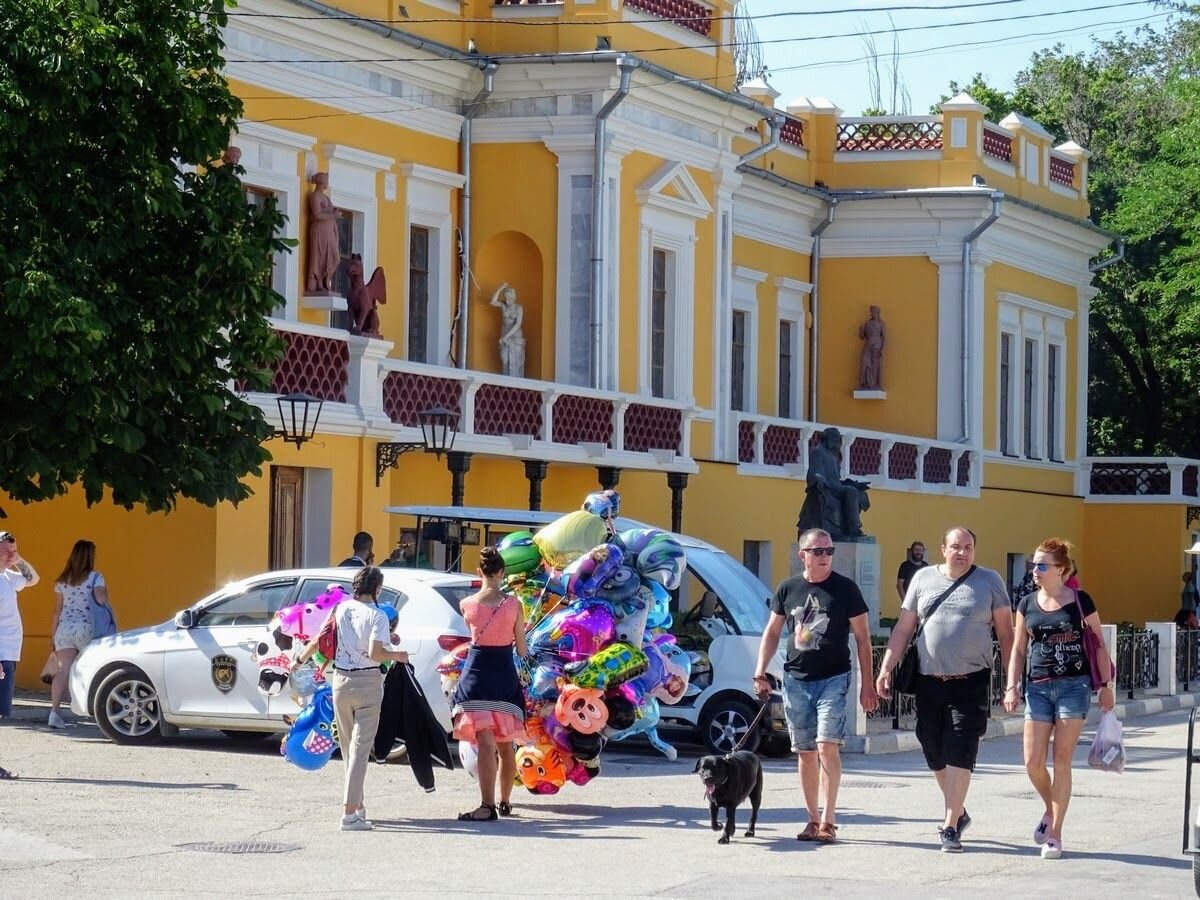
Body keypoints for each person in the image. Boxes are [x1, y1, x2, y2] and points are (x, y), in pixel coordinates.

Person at [875, 526, 1013, 853]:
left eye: (968, 547)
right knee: (932, 747)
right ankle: (959, 810)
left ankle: (950, 825)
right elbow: (904, 628)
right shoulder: (923, 579)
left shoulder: (990, 581)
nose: (962, 552)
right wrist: (885, 668)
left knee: (960, 748)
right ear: (943, 549)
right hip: (929, 680)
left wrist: (1012, 681)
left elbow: (1007, 634)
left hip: (971, 680)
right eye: (956, 546)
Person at [753, 528, 878, 844]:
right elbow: (772, 632)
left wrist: (867, 685)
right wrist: (760, 672)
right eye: (818, 551)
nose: (824, 556)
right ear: (803, 555)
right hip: (796, 680)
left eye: (829, 551)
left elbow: (863, 639)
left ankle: (829, 820)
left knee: (826, 746)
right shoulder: (788, 588)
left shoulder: (846, 589)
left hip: (834, 678)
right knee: (805, 751)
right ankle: (811, 819)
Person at [1004, 538, 1114, 860]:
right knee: (1032, 763)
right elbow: (1019, 649)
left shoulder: (1080, 600)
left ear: (1061, 569)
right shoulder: (1026, 603)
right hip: (1037, 688)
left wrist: (1106, 686)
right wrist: (1011, 686)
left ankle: (1055, 835)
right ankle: (1050, 809)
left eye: (1042, 565)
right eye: (1033, 565)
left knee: (1061, 760)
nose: (1035, 570)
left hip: (1073, 687)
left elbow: (1098, 644)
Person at [292, 566, 409, 831]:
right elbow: (376, 654)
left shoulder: (340, 609)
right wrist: (398, 656)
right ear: (377, 589)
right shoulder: (378, 616)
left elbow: (319, 640)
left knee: (348, 749)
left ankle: (359, 807)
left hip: (341, 682)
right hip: (368, 684)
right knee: (360, 750)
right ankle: (348, 813)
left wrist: (298, 661)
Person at [450, 546, 529, 822]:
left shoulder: (467, 604)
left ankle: (486, 805)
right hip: (504, 675)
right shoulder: (514, 605)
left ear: (479, 572)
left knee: (485, 742)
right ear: (502, 573)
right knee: (506, 745)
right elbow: (522, 649)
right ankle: (505, 802)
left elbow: (473, 637)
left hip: (476, 675)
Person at [48, 540, 112, 729]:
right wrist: (104, 592)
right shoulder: (96, 577)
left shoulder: (62, 580)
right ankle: (94, 713)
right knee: (90, 668)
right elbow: (101, 600)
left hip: (64, 629)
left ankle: (54, 713)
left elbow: (57, 611)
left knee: (63, 671)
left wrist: (52, 636)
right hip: (87, 628)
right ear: (89, 556)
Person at [0, 531, 39, 722]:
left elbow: (33, 579)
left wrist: (18, 559)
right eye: (6, 551)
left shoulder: (8, 576)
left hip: (9, 651)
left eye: (14, 550)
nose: (11, 555)